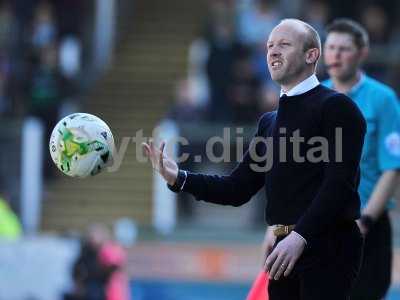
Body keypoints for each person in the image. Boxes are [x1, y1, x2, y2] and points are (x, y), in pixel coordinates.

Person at [143, 19, 366, 299]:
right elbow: (237, 188)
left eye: (284, 44)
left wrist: (301, 236)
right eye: (270, 46)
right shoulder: (268, 123)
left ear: (312, 55)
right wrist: (179, 178)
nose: (273, 51)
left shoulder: (337, 107)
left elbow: (339, 185)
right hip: (283, 249)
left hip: (329, 244)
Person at [322, 18, 400, 300]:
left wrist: (365, 220)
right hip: (323, 222)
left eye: (344, 48)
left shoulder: (383, 99)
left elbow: (392, 168)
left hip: (367, 223)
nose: (336, 55)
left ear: (362, 53)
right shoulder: (315, 97)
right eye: (331, 48)